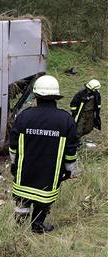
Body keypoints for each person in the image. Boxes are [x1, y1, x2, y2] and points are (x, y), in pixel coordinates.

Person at [9, 75, 78, 233]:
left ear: (36, 96)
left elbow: (13, 146)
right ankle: (37, 226)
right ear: (55, 97)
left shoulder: (24, 117)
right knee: (43, 200)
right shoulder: (66, 120)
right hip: (50, 173)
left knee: (22, 198)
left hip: (24, 171)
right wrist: (69, 170)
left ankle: (19, 229)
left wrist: (14, 164)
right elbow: (71, 150)